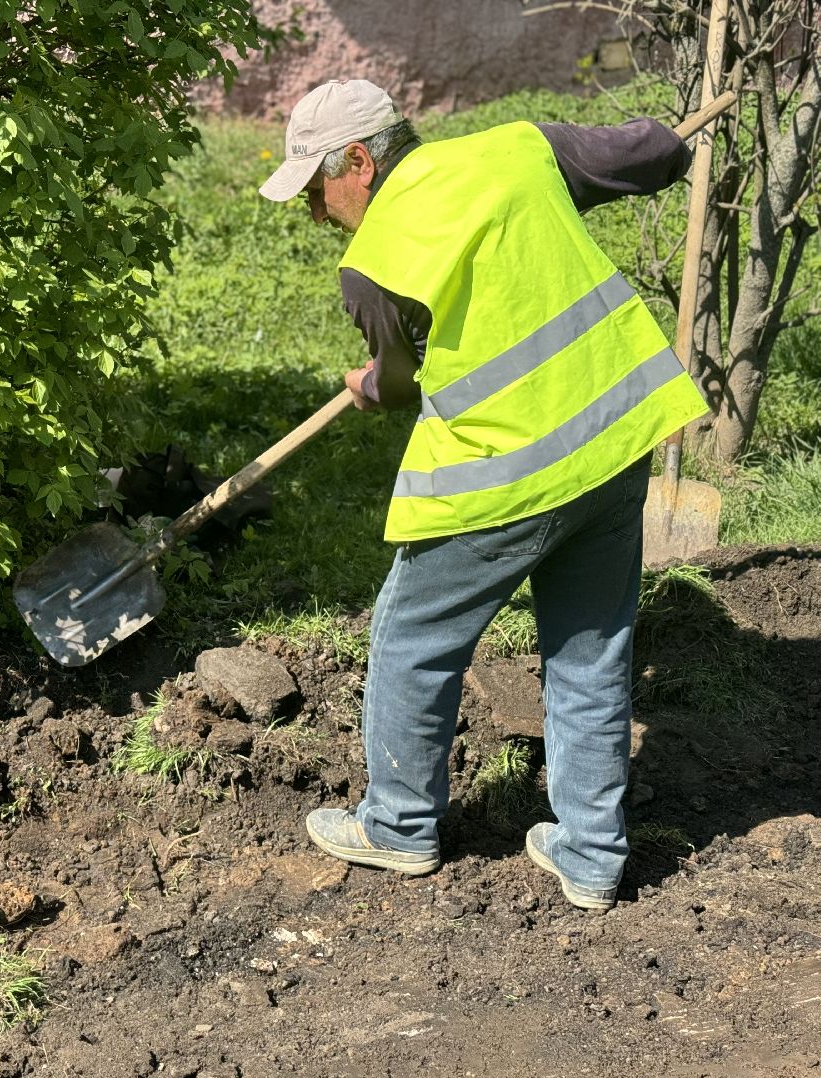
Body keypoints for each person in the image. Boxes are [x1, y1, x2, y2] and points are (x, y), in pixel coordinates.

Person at [258, 79, 709, 912]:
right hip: (613, 441)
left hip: (503, 475)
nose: (318, 214)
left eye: (318, 191)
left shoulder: (373, 265)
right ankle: (592, 854)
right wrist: (668, 148)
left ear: (358, 160)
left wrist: (369, 384)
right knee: (590, 651)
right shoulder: (516, 148)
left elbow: (397, 387)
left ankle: (398, 826)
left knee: (410, 640)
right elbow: (653, 152)